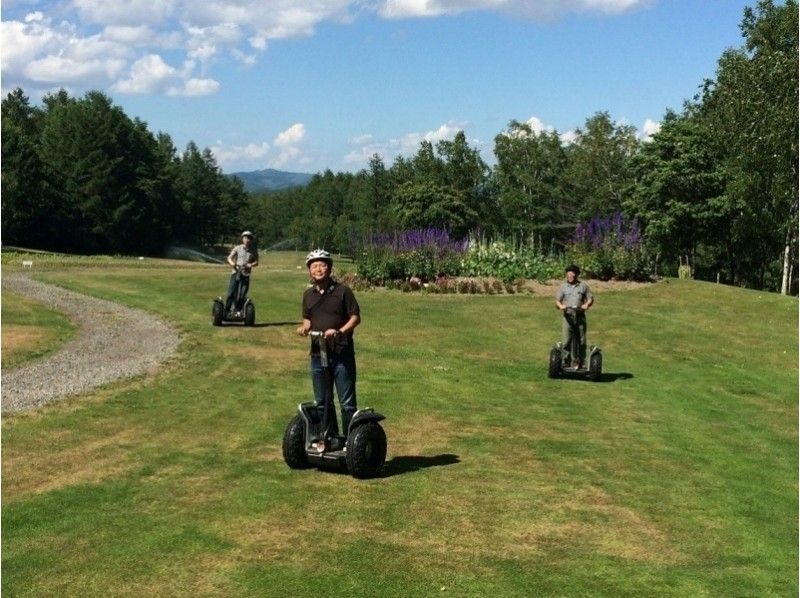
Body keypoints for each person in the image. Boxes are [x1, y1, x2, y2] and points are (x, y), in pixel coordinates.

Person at [297, 249, 361, 439]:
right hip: (318, 355)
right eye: (314, 266)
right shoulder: (308, 295)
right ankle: (330, 437)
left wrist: (339, 331)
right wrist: (304, 327)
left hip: (341, 354)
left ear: (330, 268)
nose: (318, 269)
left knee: (347, 403)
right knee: (322, 401)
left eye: (322, 265)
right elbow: (308, 319)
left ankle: (352, 442)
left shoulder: (343, 292)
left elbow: (355, 318)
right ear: (310, 271)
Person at [555, 264, 594, 368]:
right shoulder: (563, 287)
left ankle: (581, 362)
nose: (569, 276)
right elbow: (557, 301)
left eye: (571, 274)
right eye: (568, 275)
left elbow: (590, 298)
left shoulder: (583, 286)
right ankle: (566, 361)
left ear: (576, 275)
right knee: (566, 340)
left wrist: (587, 304)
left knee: (581, 340)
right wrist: (561, 306)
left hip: (580, 316)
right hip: (567, 316)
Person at [224, 231, 259, 315]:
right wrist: (233, 264)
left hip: (246, 274)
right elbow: (229, 258)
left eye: (249, 238)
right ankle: (227, 310)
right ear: (242, 239)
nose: (247, 240)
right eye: (245, 238)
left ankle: (238, 310)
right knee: (231, 292)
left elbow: (257, 262)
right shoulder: (237, 248)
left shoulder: (253, 250)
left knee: (242, 294)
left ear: (251, 240)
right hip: (235, 272)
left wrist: (250, 264)